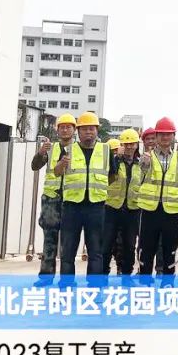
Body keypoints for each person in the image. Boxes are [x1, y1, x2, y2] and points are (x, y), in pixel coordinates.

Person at [56, 111, 111, 287]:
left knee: (96, 251)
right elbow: (57, 172)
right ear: (78, 132)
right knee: (68, 251)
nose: (88, 132)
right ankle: (66, 285)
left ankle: (94, 286)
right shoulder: (68, 150)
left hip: (96, 207)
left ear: (97, 131)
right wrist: (61, 164)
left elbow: (113, 175)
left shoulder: (105, 151)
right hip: (72, 207)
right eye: (84, 129)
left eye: (91, 129)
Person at [135, 117, 178, 283]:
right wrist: (144, 165)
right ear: (156, 136)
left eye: (169, 134)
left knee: (170, 251)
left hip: (172, 212)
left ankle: (168, 285)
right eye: (161, 134)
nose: (165, 138)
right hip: (149, 211)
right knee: (146, 250)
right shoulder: (147, 157)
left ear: (173, 136)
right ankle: (145, 284)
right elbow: (139, 179)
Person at [30, 114, 76, 285]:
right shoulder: (51, 148)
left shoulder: (79, 149)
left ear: (74, 130)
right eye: (62, 127)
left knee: (68, 242)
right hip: (51, 200)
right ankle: (46, 277)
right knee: (49, 239)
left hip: (71, 200)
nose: (65, 130)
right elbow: (35, 166)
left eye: (68, 127)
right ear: (57, 130)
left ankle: (67, 279)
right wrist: (41, 152)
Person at [102, 128, 142, 281]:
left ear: (137, 145)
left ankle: (126, 275)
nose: (129, 147)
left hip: (132, 210)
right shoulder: (114, 161)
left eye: (132, 144)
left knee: (129, 245)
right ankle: (103, 276)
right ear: (121, 145)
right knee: (106, 244)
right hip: (112, 208)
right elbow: (106, 175)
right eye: (126, 144)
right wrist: (116, 158)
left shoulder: (141, 164)